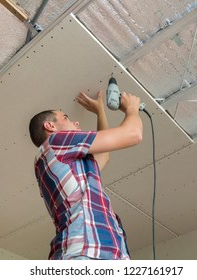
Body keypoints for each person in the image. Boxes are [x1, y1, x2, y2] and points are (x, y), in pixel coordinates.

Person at [29, 90, 143, 260]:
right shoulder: (56, 142)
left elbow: (103, 155)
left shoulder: (61, 160)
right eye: (65, 118)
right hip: (85, 251)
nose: (75, 121)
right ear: (50, 126)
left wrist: (100, 112)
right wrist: (132, 109)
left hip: (97, 252)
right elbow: (133, 134)